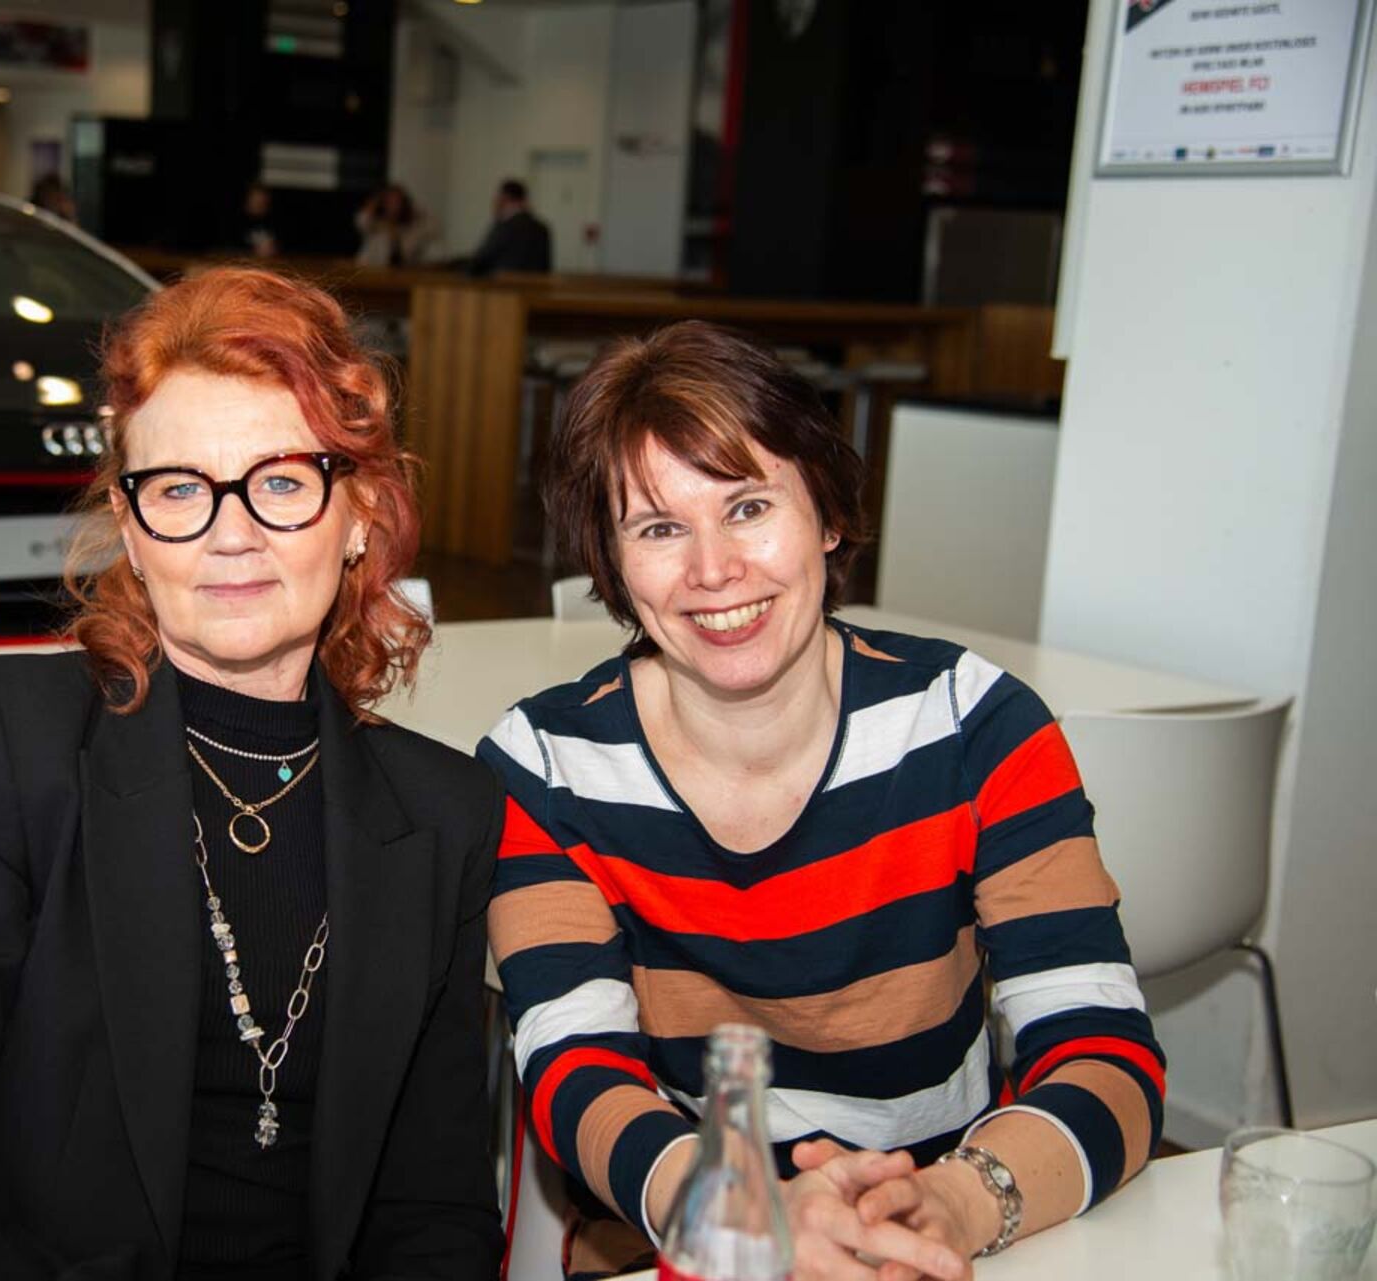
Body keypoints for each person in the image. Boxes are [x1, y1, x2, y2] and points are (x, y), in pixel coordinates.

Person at [0, 267, 504, 1281]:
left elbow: (434, 1215)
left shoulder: (443, 813)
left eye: (281, 482)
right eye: (179, 488)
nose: (231, 533)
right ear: (130, 529)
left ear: (360, 513)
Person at [480, 322, 1165, 1280]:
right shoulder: (546, 765)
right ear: (613, 560)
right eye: (660, 528)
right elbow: (575, 1067)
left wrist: (956, 1202)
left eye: (749, 506)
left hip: (942, 1224)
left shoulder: (975, 726)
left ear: (828, 517)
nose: (713, 569)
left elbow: (1103, 1049)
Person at [467, 178, 551, 276]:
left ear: (504, 198)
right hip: (535, 284)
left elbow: (481, 259)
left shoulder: (505, 227)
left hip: (502, 284)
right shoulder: (542, 228)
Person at [354, 183, 435, 268]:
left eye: (397, 202)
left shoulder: (410, 228)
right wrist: (373, 203)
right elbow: (361, 221)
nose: (393, 205)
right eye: (389, 201)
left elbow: (432, 228)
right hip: (370, 269)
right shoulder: (375, 223)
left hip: (401, 271)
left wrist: (415, 210)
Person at [240, 181, 280, 259]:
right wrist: (253, 251)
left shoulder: (273, 221)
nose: (260, 205)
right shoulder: (237, 222)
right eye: (256, 201)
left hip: (270, 262)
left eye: (263, 202)